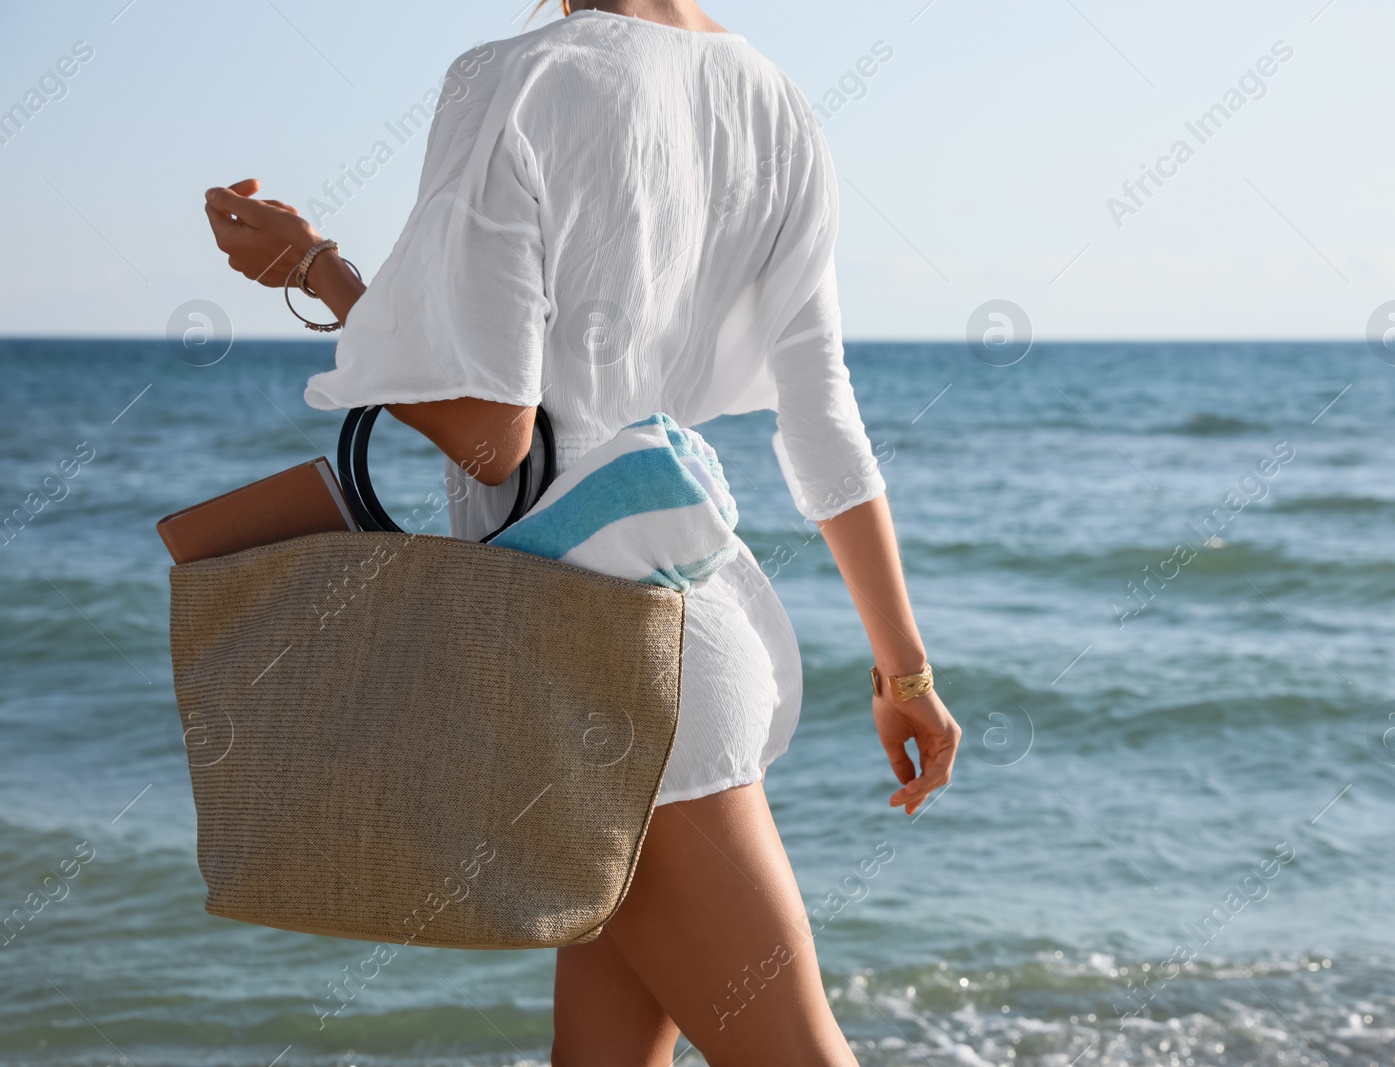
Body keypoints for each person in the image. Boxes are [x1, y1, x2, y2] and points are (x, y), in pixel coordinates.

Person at [202, 1, 960, 1062]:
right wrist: (904, 671)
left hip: (598, 666)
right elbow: (823, 418)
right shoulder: (779, 102)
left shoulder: (516, 78)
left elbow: (488, 435)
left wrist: (315, 269)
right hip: (691, 620)